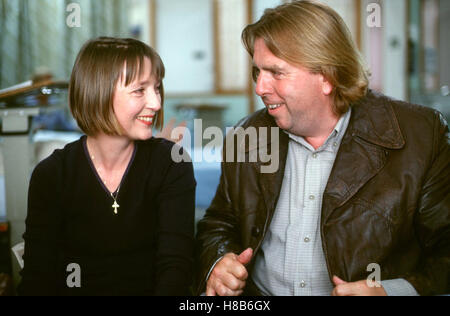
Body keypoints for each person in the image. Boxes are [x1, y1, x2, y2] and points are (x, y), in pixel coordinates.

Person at [196, 0, 449, 296]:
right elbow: (218, 224)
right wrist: (219, 261)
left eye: (276, 73)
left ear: (327, 77)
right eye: (257, 72)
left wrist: (388, 291)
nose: (259, 88)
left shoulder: (421, 135)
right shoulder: (246, 135)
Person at [18, 37, 196, 296]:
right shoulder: (53, 175)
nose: (157, 103)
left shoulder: (171, 164)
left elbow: (175, 270)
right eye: (140, 90)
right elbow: (38, 276)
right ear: (98, 92)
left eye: (157, 88)